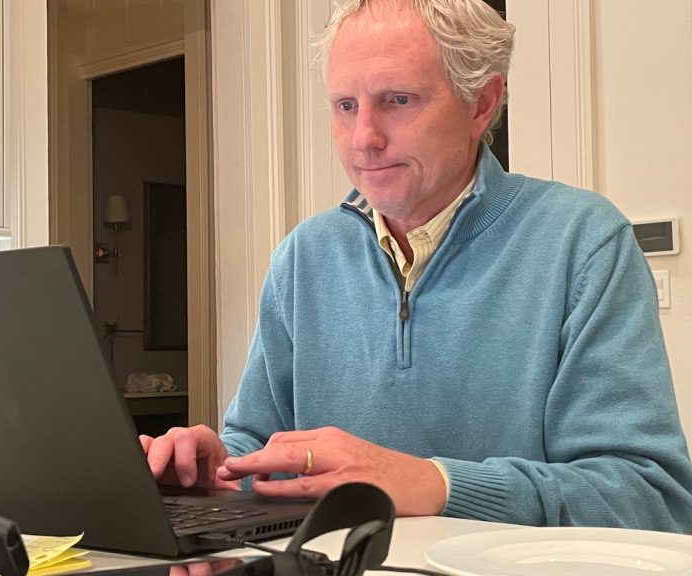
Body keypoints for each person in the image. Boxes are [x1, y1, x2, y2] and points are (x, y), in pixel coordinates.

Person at [142, 0, 692, 531]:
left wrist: (435, 484)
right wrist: (216, 469)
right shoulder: (303, 257)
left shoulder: (582, 242)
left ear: (482, 104)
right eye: (346, 106)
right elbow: (263, 447)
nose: (365, 139)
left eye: (398, 100)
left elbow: (649, 497)